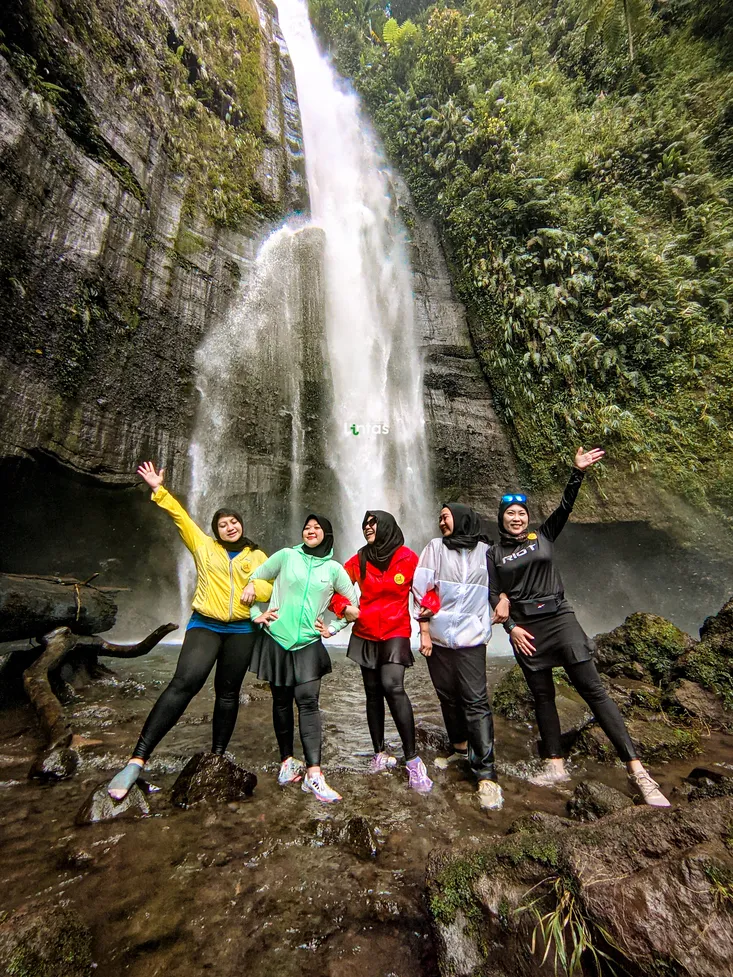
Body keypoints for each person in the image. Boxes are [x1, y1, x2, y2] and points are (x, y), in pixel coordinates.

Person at [488, 446, 671, 807]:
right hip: (526, 630)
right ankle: (555, 765)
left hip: (560, 619)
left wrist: (578, 472)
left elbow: (565, 507)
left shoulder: (543, 536)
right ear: (501, 519)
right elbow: (492, 593)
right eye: (510, 513)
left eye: (521, 513)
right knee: (542, 697)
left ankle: (637, 770)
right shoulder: (493, 553)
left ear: (528, 518)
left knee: (594, 691)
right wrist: (510, 627)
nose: (516, 518)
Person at [108, 462, 272, 800]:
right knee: (184, 684)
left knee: (228, 692)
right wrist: (159, 489)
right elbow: (180, 517)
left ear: (242, 524)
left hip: (242, 629)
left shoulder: (257, 556)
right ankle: (137, 760)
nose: (229, 527)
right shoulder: (203, 546)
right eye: (222, 524)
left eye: (234, 522)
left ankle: (217, 756)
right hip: (206, 624)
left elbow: (271, 585)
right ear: (215, 530)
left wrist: (256, 588)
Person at [240, 514, 358, 804]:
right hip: (276, 638)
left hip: (307, 643)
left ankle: (314, 773)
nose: (311, 531)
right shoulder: (286, 556)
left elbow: (354, 606)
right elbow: (254, 579)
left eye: (317, 528)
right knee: (281, 702)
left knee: (308, 702)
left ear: (327, 534)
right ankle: (287, 762)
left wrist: (333, 628)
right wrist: (256, 614)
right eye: (307, 527)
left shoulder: (334, 570)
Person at [329, 511, 433, 793]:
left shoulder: (407, 558)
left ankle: (412, 759)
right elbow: (334, 587)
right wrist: (343, 607)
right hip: (365, 632)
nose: (367, 528)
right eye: (365, 524)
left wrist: (427, 619)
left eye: (373, 524)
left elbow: (426, 591)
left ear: (387, 527)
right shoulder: (360, 558)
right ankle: (379, 752)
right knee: (373, 692)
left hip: (396, 631)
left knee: (392, 686)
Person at [412, 503, 504, 811]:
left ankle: (486, 774)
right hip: (438, 638)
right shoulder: (435, 548)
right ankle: (460, 749)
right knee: (448, 697)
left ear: (463, 519)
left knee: (476, 701)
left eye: (446, 517)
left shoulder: (486, 552)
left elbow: (501, 583)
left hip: (471, 638)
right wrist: (424, 631)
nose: (441, 522)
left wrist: (504, 599)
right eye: (439, 517)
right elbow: (421, 590)